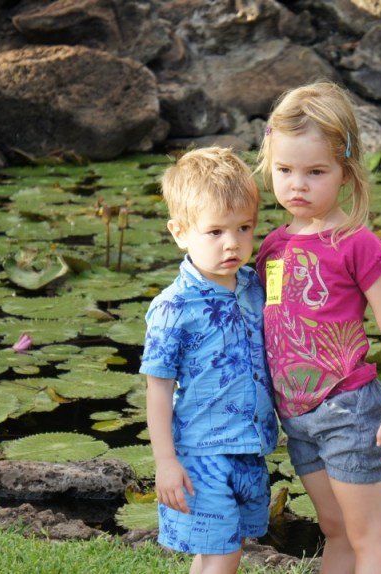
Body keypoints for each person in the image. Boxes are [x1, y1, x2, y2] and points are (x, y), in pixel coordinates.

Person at [255, 81, 381, 573]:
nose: (297, 184)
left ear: (345, 172)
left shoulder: (356, 242)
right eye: (284, 170)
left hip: (349, 409)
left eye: (315, 171)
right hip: (297, 415)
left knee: (369, 536)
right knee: (334, 529)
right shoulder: (273, 246)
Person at [140, 146, 279, 574]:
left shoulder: (255, 287)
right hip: (200, 452)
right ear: (180, 232)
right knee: (224, 556)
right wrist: (165, 461)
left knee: (222, 544)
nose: (232, 244)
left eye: (243, 229)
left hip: (250, 447)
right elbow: (158, 389)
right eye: (215, 232)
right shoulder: (173, 307)